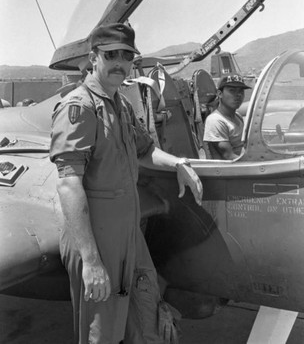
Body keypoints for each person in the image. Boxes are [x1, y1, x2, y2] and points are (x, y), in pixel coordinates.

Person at [50, 22, 203, 344]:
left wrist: (178, 163)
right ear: (94, 58)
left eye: (127, 56)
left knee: (147, 320)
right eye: (111, 55)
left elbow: (145, 151)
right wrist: (91, 262)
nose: (120, 62)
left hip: (129, 232)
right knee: (101, 334)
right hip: (97, 237)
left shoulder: (120, 105)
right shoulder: (80, 108)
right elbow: (68, 184)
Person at [203, 74, 251, 160]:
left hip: (243, 166)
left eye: (241, 91)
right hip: (229, 171)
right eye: (232, 90)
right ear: (220, 94)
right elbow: (228, 156)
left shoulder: (238, 116)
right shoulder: (215, 120)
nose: (238, 95)